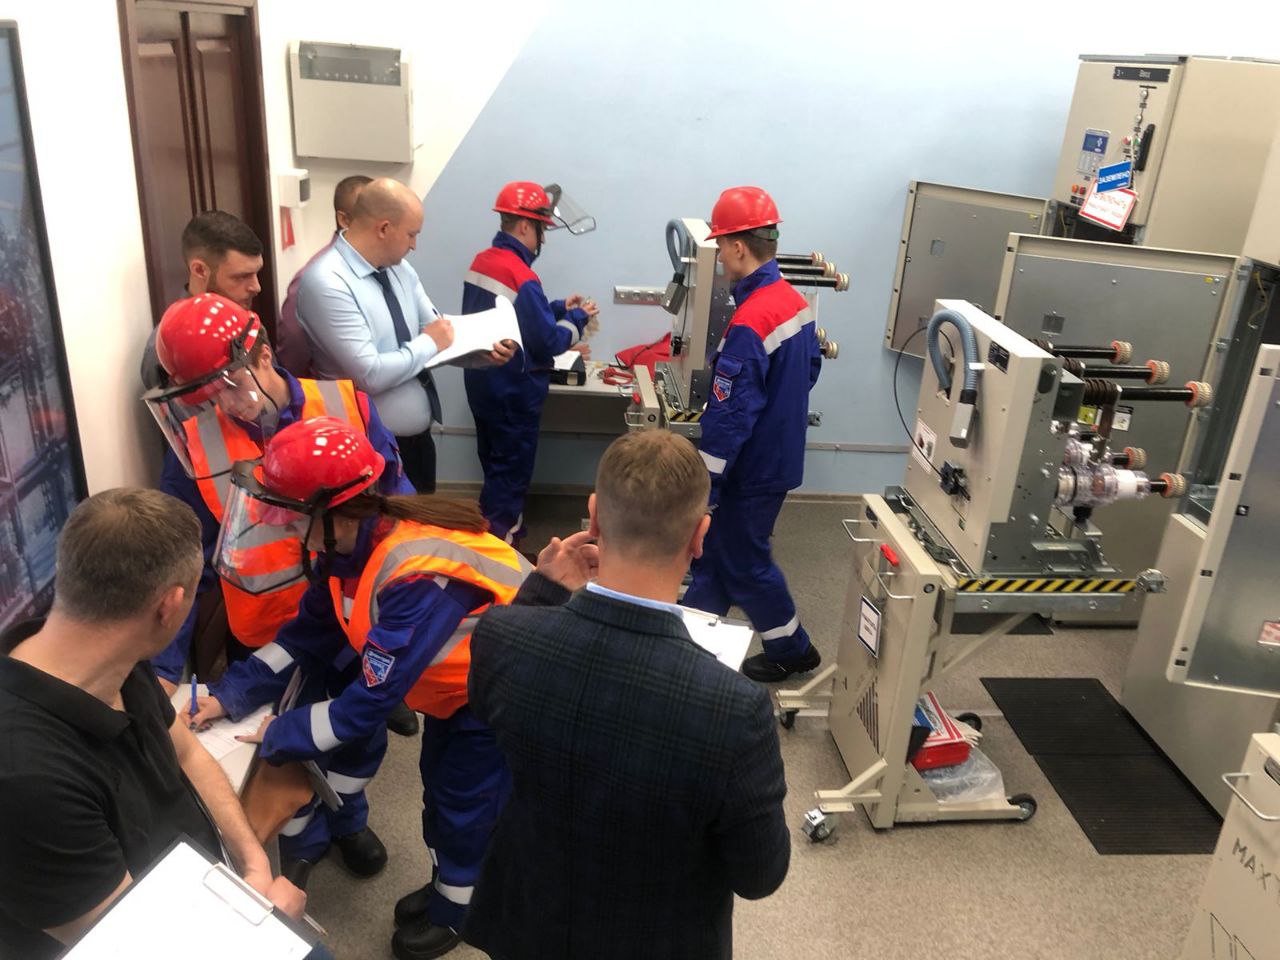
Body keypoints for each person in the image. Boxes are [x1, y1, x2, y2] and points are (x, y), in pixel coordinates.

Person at [188, 417, 530, 960]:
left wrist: (278, 733)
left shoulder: (414, 577)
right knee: (443, 793)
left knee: (463, 804)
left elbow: (365, 707)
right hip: (462, 693)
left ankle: (457, 914)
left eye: (290, 516)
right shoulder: (351, 549)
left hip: (500, 701)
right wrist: (230, 695)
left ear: (335, 514)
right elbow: (304, 637)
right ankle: (450, 887)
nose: (282, 528)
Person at [466, 430, 790, 960]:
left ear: (593, 516)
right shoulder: (734, 709)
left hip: (527, 923)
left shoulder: (504, 636)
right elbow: (759, 876)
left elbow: (490, 708)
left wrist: (542, 591)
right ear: (700, 535)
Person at [142, 293, 416, 879]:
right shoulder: (196, 443)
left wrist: (395, 605)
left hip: (347, 616)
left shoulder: (346, 404)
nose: (224, 406)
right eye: (205, 397)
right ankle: (304, 842)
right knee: (276, 746)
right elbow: (179, 557)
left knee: (353, 730)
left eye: (228, 387)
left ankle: (348, 820)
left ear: (262, 355)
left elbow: (396, 508)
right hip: (267, 628)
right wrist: (164, 667)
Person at [0, 489, 305, 958]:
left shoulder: (109, 648)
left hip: (196, 884)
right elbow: (133, 944)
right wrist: (266, 930)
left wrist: (252, 860)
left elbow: (186, 753)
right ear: (169, 607)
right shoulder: (27, 779)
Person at [682, 186, 824, 683]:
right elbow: (810, 369)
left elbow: (731, 418)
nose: (720, 257)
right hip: (776, 457)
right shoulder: (792, 301)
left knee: (744, 560)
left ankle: (793, 649)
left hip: (750, 469)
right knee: (718, 557)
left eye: (721, 246)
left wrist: (705, 483)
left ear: (739, 247)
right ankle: (691, 648)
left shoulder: (750, 319)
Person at [297, 177, 513, 493]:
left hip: (416, 443)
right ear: (384, 228)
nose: (414, 245)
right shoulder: (327, 282)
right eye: (411, 234)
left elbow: (438, 333)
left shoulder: (400, 270)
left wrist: (481, 354)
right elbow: (370, 374)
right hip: (365, 448)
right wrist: (430, 342)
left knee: (420, 522)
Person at [462, 181, 599, 543]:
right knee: (510, 476)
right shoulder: (521, 275)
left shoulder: (484, 262)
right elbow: (548, 342)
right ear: (525, 226)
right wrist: (578, 318)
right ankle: (501, 545)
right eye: (542, 230)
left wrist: (557, 307)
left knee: (494, 469)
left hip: (483, 385)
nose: (543, 240)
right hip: (513, 392)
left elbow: (514, 315)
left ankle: (498, 530)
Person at [140, 210, 267, 390]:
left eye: (256, 273)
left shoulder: (242, 317)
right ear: (200, 270)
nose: (256, 287)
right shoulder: (168, 351)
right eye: (241, 276)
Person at [277, 174, 373, 376]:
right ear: (344, 219)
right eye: (370, 216)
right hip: (335, 391)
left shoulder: (383, 268)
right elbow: (292, 354)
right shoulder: (311, 280)